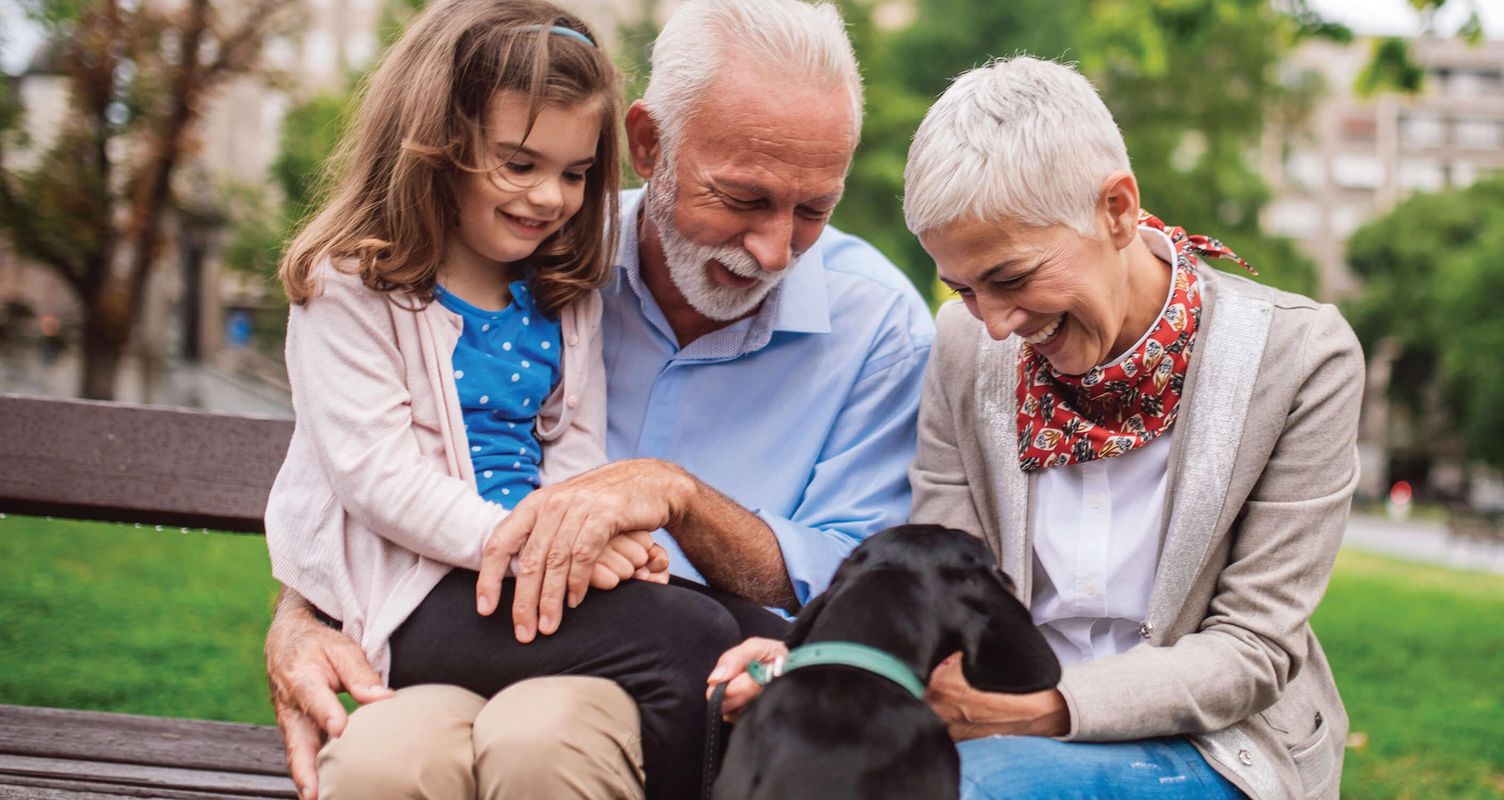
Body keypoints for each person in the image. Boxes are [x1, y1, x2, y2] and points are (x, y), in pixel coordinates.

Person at [263, 1, 934, 798]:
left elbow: (857, 582)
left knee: (543, 740)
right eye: (743, 198)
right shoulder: (551, 258)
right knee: (385, 763)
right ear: (649, 145)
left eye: (813, 210)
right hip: (478, 596)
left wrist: (664, 507)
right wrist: (301, 616)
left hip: (643, 649)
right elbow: (357, 470)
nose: (775, 249)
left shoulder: (880, 329)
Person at [711, 57, 1363, 800]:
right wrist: (826, 659)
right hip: (983, 717)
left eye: (1013, 279)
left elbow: (1251, 651)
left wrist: (1033, 714)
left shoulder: (1301, 357)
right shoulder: (962, 346)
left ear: (1117, 208)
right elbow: (939, 574)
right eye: (963, 289)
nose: (993, 324)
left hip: (1216, 746)